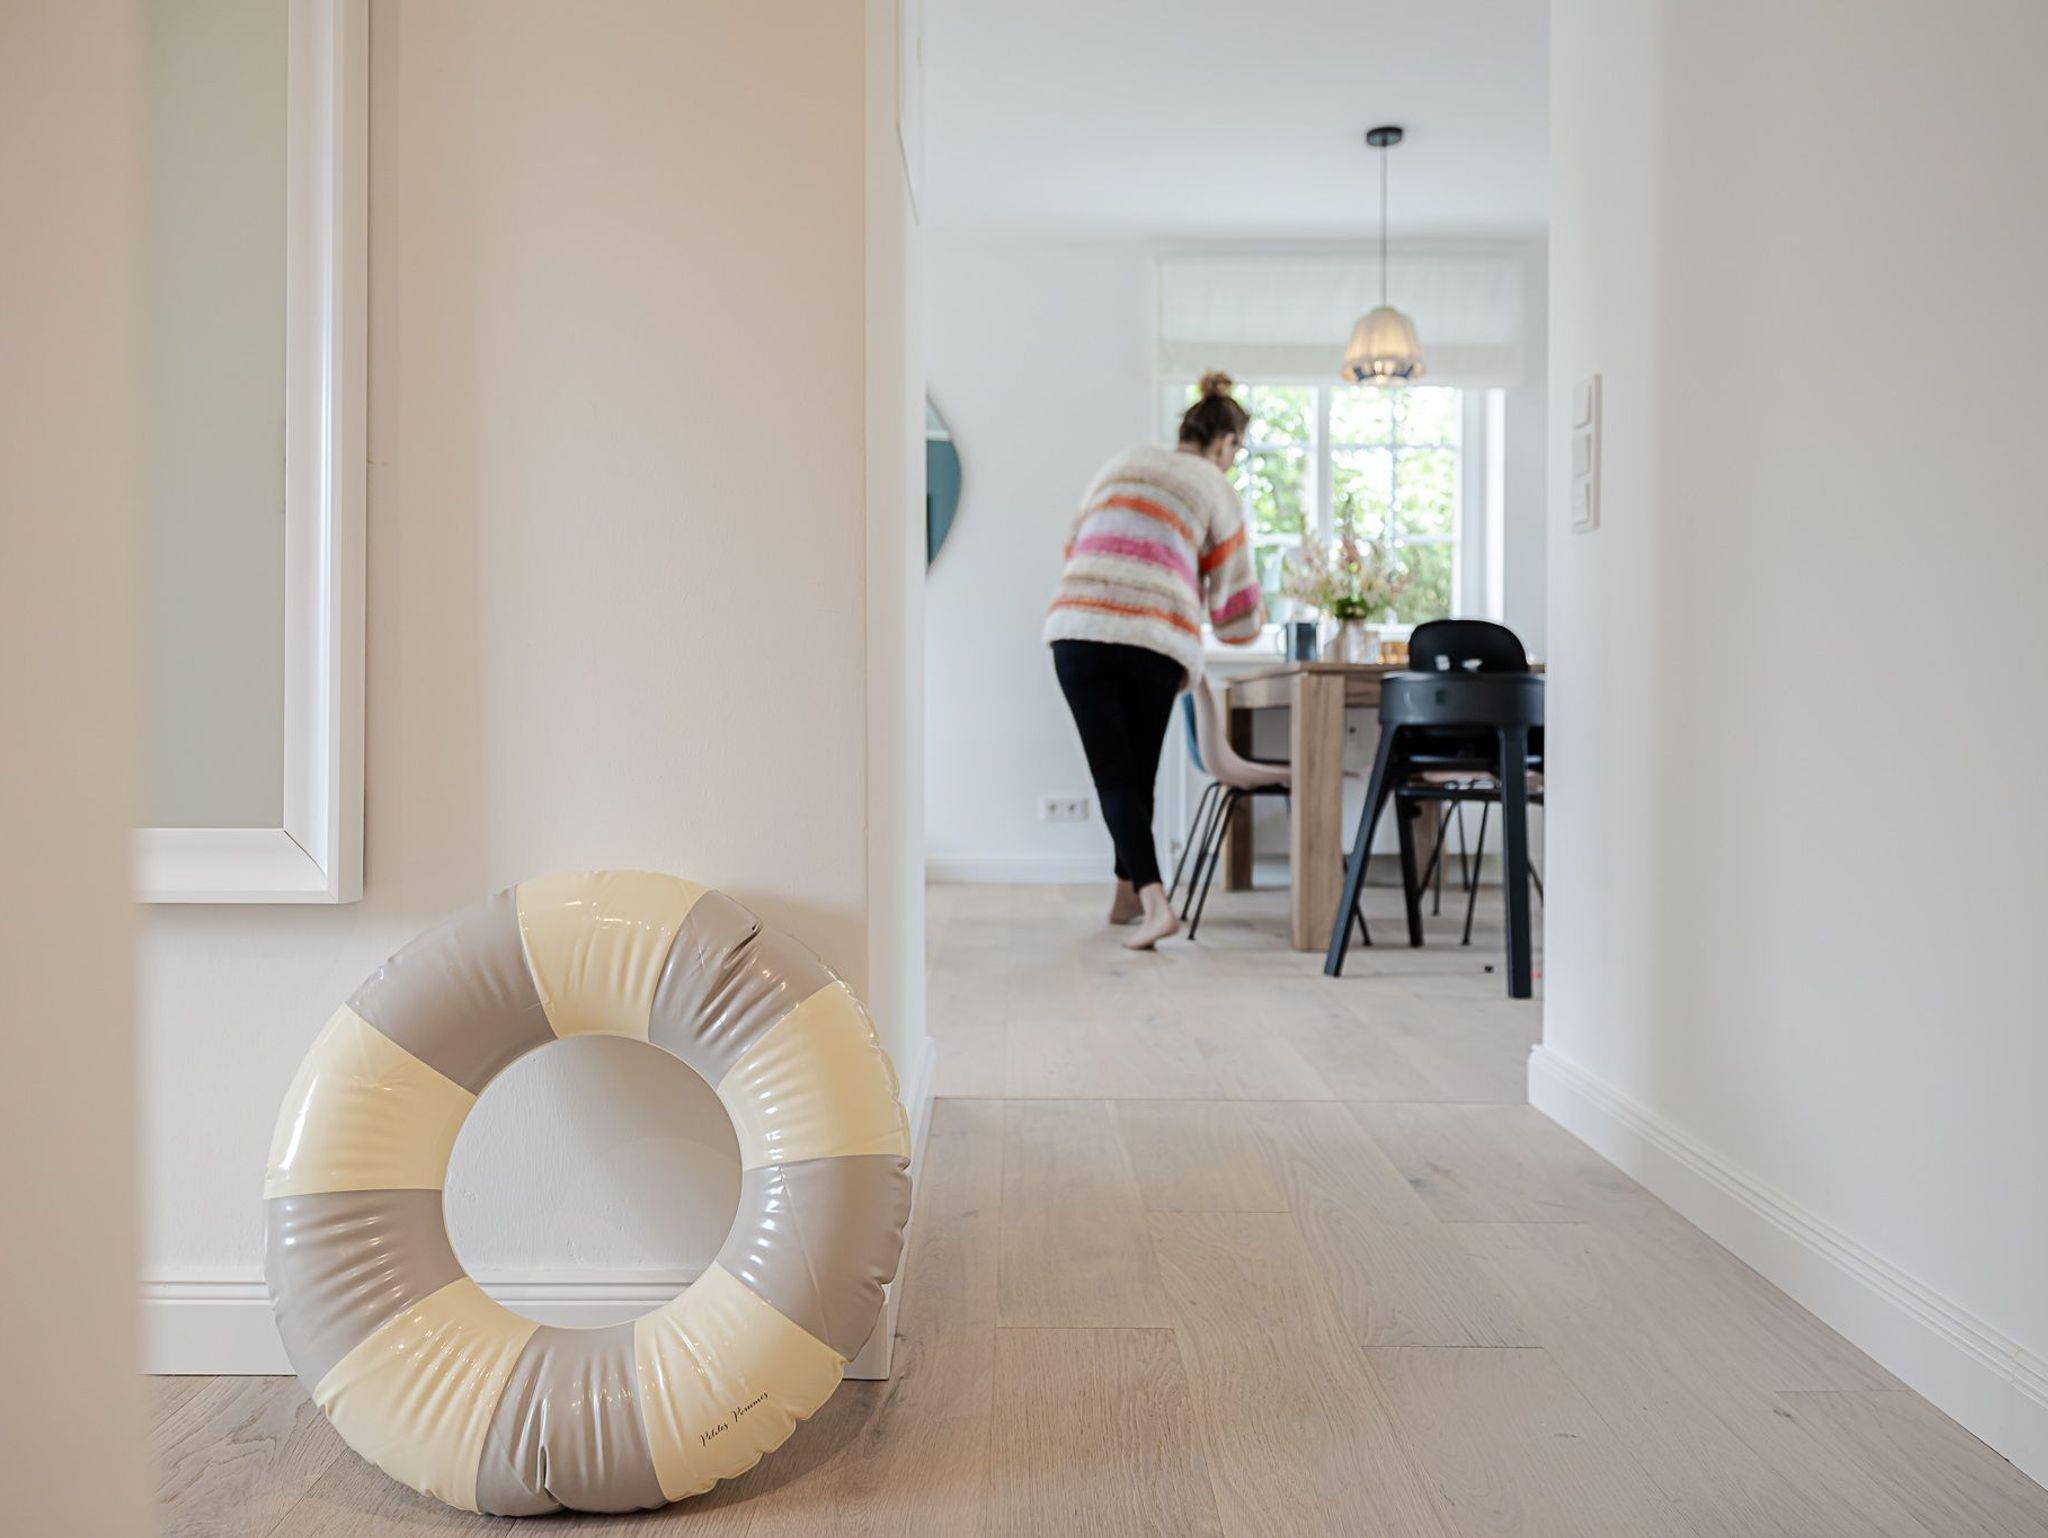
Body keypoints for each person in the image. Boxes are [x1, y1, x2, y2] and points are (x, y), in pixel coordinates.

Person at [1043, 371, 1265, 949]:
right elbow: (1235, 612)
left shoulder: (1125, 461)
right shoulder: (1215, 486)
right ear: (1225, 443)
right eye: (1236, 450)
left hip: (1081, 626)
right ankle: (1156, 903)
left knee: (1119, 775)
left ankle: (1127, 897)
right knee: (1135, 773)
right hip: (1156, 639)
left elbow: (1074, 543)